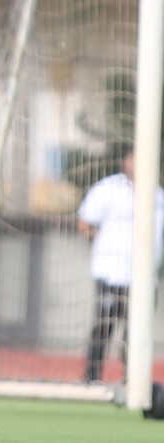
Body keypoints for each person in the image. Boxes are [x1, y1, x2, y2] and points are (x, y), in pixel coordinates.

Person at [78, 141, 164, 383]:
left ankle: (133, 380)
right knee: (105, 326)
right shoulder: (108, 189)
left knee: (137, 331)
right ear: (124, 161)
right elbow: (85, 223)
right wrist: (108, 246)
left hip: (145, 278)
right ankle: (91, 377)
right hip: (111, 274)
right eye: (133, 158)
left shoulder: (158, 195)